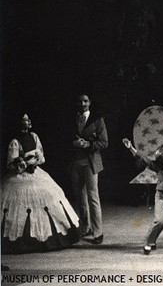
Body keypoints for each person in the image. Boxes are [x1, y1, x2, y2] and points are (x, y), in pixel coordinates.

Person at [2, 113, 79, 253]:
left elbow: (41, 155)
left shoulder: (34, 136)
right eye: (24, 120)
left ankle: (58, 236)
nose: (28, 122)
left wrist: (36, 160)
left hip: (36, 172)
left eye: (28, 119)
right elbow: (11, 164)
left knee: (52, 194)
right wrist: (22, 163)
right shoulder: (15, 141)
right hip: (20, 177)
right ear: (19, 123)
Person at [69, 94, 108, 244]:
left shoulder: (97, 119)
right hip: (76, 161)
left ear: (90, 102)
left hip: (91, 161)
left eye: (85, 101)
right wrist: (74, 143)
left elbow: (104, 142)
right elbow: (65, 137)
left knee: (93, 196)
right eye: (79, 101)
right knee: (79, 196)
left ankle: (98, 232)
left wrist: (89, 145)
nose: (82, 104)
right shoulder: (72, 118)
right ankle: (85, 228)